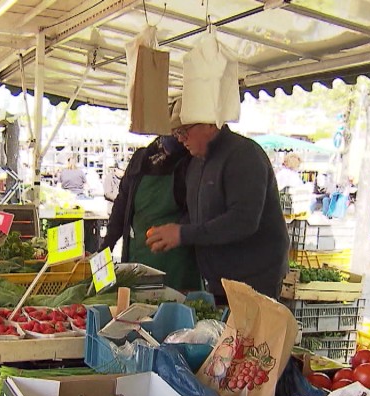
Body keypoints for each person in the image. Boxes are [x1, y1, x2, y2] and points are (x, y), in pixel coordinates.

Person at [146, 98, 289, 301]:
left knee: (247, 333)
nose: (180, 139)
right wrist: (172, 231)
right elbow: (202, 215)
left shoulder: (244, 155)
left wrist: (182, 233)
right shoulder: (196, 163)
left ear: (210, 124)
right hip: (218, 280)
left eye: (184, 130)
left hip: (254, 279)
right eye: (177, 133)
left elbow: (243, 221)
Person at [102, 136, 201, 291]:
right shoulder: (142, 159)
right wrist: (106, 246)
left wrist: (181, 231)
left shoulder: (192, 162)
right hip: (137, 258)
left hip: (177, 266)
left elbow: (200, 213)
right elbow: (121, 205)